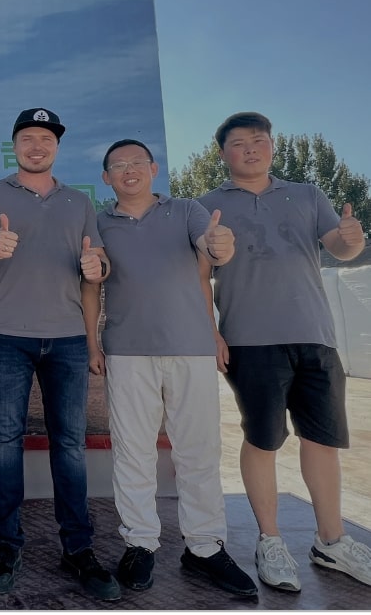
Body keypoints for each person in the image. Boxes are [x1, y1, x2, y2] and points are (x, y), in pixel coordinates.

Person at [199, 111, 371, 592]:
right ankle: (270, 540)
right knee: (263, 440)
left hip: (316, 336)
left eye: (260, 141)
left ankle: (331, 541)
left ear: (272, 146)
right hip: (250, 341)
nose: (251, 149)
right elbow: (199, 273)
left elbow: (339, 245)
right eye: (239, 143)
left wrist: (351, 239)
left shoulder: (307, 194)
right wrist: (209, 333)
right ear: (222, 153)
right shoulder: (206, 205)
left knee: (322, 441)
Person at [0, 108, 119, 599]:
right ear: (14, 145)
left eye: (45, 138)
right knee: (5, 441)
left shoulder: (79, 201)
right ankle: (7, 543)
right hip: (8, 337)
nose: (36, 145)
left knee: (69, 444)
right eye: (27, 137)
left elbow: (99, 268)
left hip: (68, 339)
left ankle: (78, 549)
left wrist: (99, 267)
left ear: (56, 147)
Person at [91, 139, 256, 597]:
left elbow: (212, 250)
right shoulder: (100, 221)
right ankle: (140, 543)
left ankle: (204, 546)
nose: (128, 171)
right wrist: (92, 342)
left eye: (136, 163)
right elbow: (93, 280)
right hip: (126, 351)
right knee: (133, 453)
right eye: (117, 165)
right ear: (106, 177)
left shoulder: (187, 211)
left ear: (153, 169)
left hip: (190, 349)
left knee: (198, 451)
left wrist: (219, 244)